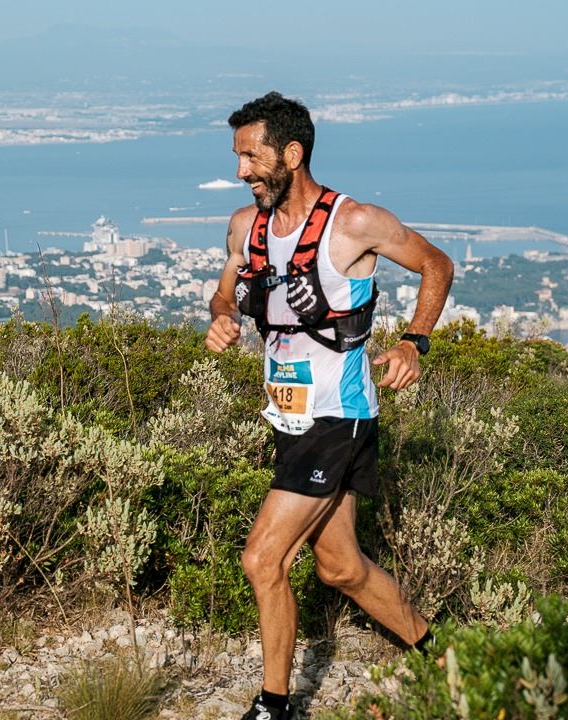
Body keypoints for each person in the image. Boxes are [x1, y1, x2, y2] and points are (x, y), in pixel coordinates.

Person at [205, 92, 454, 720]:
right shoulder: (246, 226)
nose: (241, 171)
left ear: (292, 153)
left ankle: (274, 707)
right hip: (289, 419)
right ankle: (447, 660)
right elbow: (225, 289)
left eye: (251, 156)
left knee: (263, 557)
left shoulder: (355, 223)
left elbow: (437, 265)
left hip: (338, 417)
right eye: (238, 157)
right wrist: (222, 317)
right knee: (341, 567)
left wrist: (413, 341)